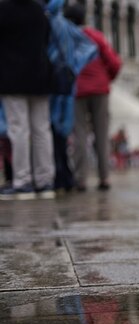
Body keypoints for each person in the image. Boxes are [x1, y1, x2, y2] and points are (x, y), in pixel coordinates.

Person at [0, 0, 55, 200]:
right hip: (39, 76)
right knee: (42, 129)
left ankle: (23, 182)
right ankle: (45, 181)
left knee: (19, 130)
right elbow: (47, 38)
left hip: (12, 77)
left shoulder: (3, 10)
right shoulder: (39, 11)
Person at [65, 3, 122, 192]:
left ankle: (81, 179)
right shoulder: (95, 36)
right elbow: (114, 62)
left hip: (77, 89)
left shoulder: (67, 39)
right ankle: (104, 177)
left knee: (79, 134)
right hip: (99, 89)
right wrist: (106, 79)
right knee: (101, 134)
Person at [50, 0, 98, 192]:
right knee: (61, 130)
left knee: (55, 129)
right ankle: (65, 175)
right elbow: (91, 49)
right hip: (66, 82)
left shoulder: (58, 24)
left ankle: (62, 174)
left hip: (55, 80)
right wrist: (74, 67)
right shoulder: (70, 29)